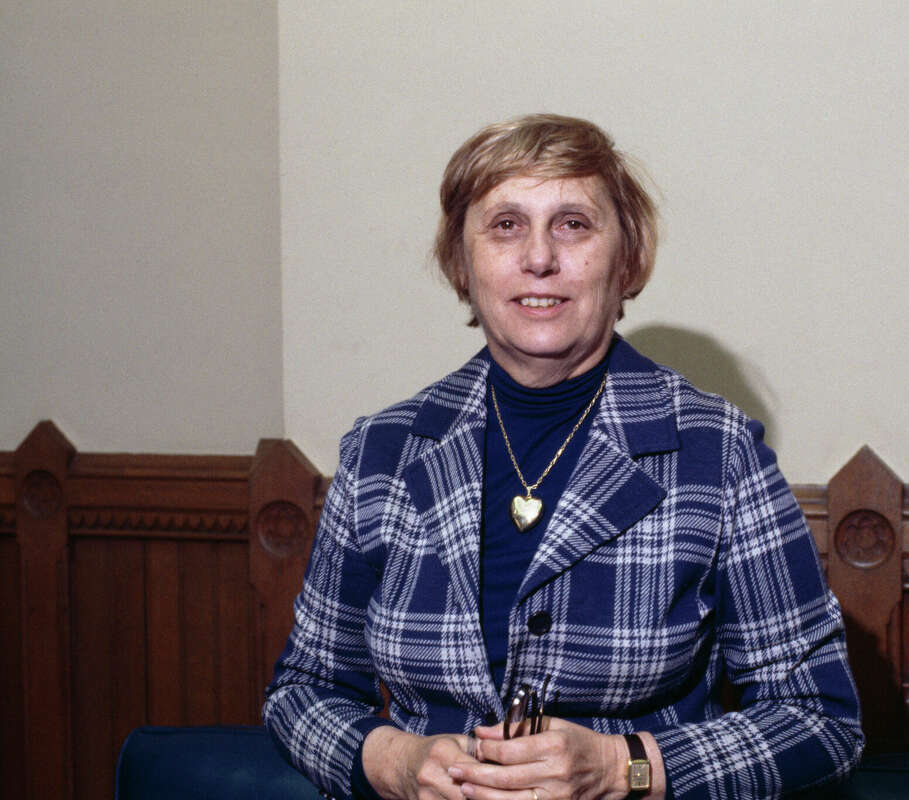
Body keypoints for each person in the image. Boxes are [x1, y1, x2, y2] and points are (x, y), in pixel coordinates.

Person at [264, 113, 862, 800]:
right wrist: (394, 762)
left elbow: (821, 721)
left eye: (573, 224)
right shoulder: (383, 452)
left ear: (628, 257)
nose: (540, 258)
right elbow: (303, 691)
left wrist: (623, 768)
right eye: (506, 225)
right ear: (463, 262)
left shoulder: (717, 454)